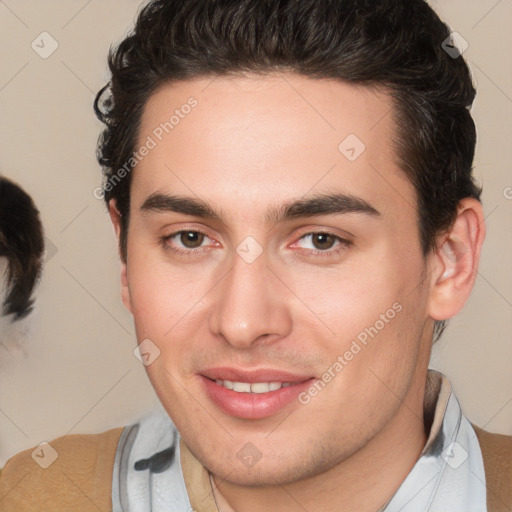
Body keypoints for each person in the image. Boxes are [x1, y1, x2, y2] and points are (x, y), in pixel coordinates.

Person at [0, 0, 510, 510]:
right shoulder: (37, 495)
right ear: (126, 255)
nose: (242, 323)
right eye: (190, 239)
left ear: (450, 259)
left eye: (320, 241)